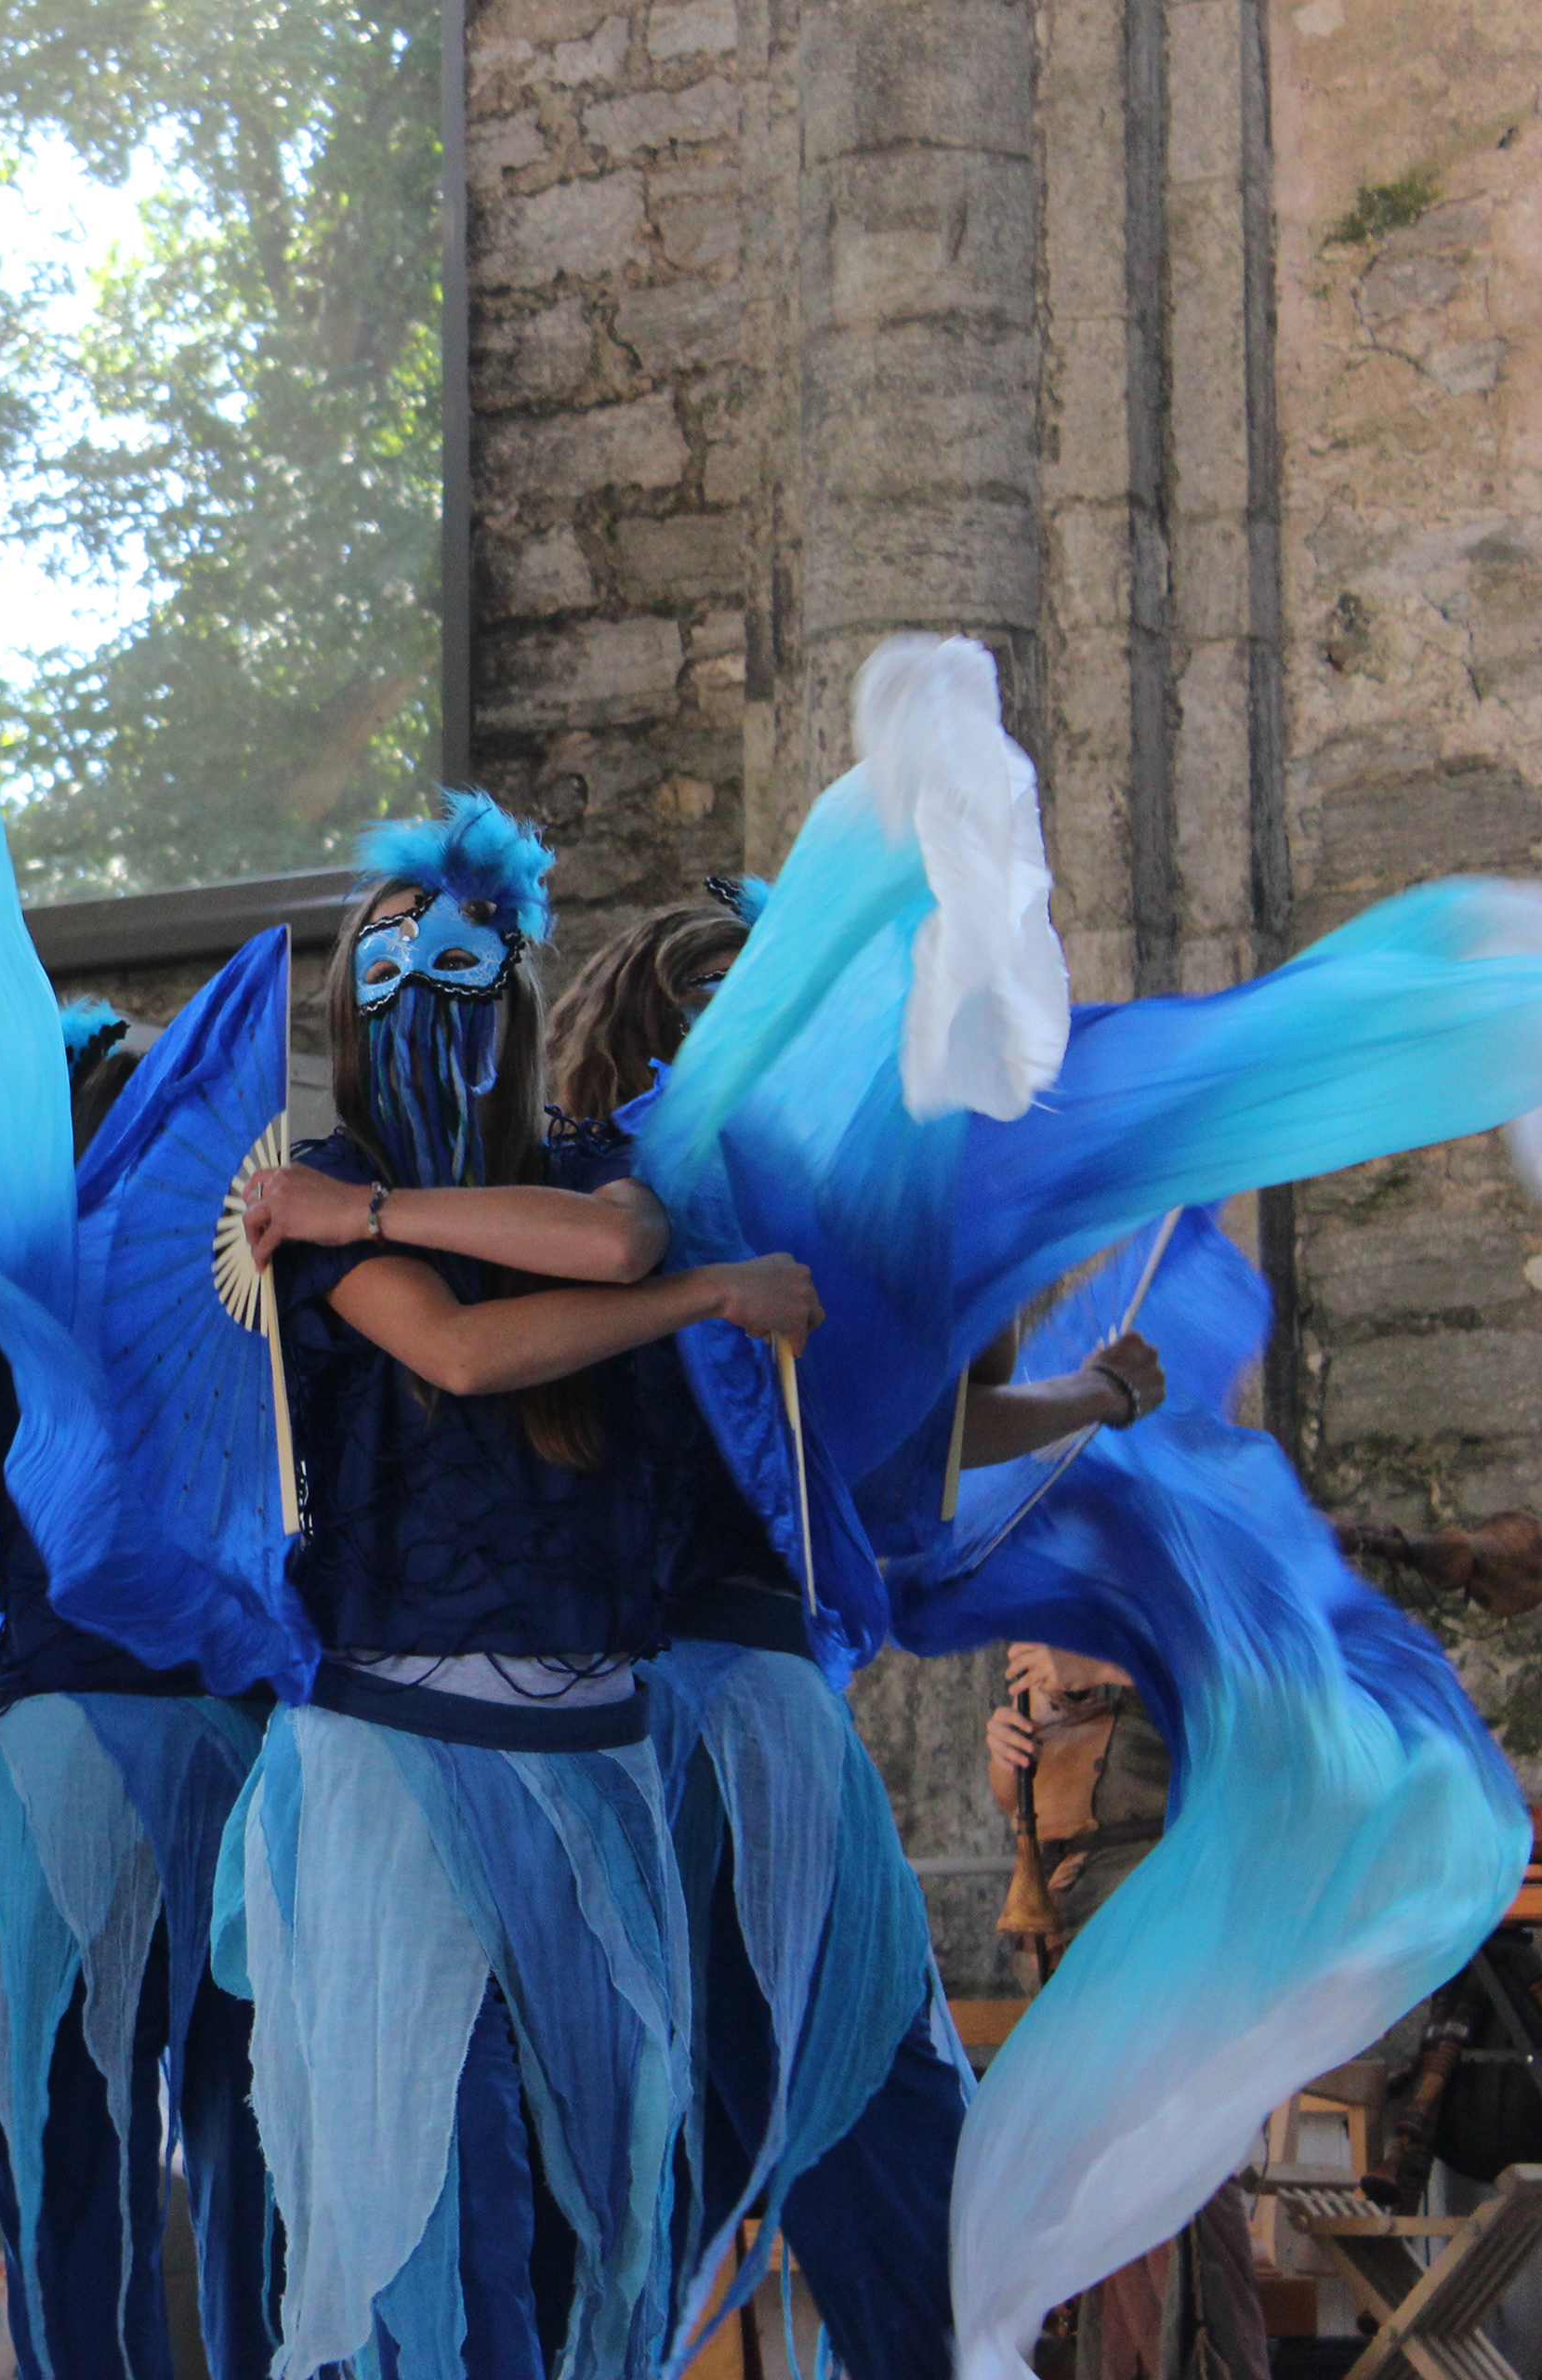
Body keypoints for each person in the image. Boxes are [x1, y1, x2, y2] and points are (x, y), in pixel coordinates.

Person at [227, 796, 822, 2380]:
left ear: (524, 991)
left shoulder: (599, 1179)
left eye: (466, 969)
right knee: (434, 2220)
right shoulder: (311, 1210)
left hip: (598, 1762)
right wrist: (356, 1214)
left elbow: (614, 1253)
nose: (429, 999)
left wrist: (378, 1211)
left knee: (612, 2226)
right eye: (389, 972)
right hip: (390, 1770)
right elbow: (465, 1349)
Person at [546, 886, 1166, 2380]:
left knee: (714, 2126)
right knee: (828, 2113)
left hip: (621, 1732)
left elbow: (900, 1439)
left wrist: (1090, 1397)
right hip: (709, 1725)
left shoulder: (633, 1212)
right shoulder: (646, 1211)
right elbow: (907, 1440)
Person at [0, 1017, 274, 2380]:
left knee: (73, 2146)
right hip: (228, 1749)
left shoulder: (22, 1291)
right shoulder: (260, 1298)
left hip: (73, 1746)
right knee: (251, 2147)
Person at [985, 1649, 1269, 2380]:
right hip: (1074, 1956)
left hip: (1163, 1939)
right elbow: (1034, 1798)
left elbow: (1250, 1690)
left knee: (1173, 2197)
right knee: (1103, 2219)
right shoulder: (1050, 1608)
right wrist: (1007, 1751)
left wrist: (1108, 1664)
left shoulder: (1176, 1594)